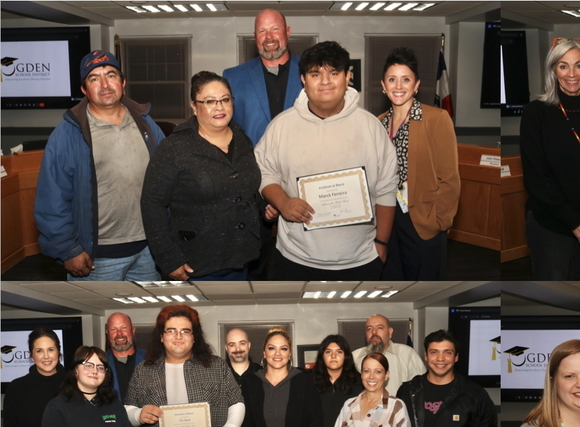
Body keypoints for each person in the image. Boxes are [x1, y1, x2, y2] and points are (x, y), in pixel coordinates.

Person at [255, 41, 398, 280]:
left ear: (347, 77)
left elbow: (386, 188)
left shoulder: (370, 126)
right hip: (295, 257)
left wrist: (381, 243)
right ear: (303, 79)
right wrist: (283, 202)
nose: (325, 81)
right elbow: (265, 172)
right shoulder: (282, 125)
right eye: (315, 74)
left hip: (361, 257)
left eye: (334, 73)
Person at [35, 50, 165, 281]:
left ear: (123, 82)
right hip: (97, 258)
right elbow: (52, 199)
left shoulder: (145, 123)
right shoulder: (68, 133)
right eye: (94, 78)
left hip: (149, 251)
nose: (105, 84)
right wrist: (68, 250)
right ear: (84, 90)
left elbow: (167, 178)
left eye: (111, 75)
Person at [140, 71, 262, 281]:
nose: (219, 107)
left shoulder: (242, 138)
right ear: (194, 107)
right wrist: (168, 257)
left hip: (242, 257)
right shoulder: (175, 147)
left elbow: (245, 188)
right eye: (209, 101)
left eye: (225, 100)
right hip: (196, 265)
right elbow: (152, 203)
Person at [519, 38, 580, 280]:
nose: (572, 73)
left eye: (579, 65)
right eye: (563, 66)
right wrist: (574, 221)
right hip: (551, 223)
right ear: (552, 70)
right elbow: (536, 177)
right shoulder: (535, 113)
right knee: (551, 294)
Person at [223, 8, 302, 279]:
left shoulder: (312, 73)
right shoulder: (232, 77)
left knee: (298, 271)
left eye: (275, 29)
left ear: (288, 32)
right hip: (252, 189)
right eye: (261, 31)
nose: (269, 37)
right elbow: (229, 135)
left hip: (302, 186)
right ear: (254, 37)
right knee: (254, 270)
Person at [377, 47, 460, 281]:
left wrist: (438, 222)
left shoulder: (436, 119)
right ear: (383, 85)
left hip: (423, 220)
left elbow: (450, 179)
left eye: (406, 79)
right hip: (386, 220)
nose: (399, 86)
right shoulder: (377, 124)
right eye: (392, 79)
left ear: (416, 85)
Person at [351, 314, 425, 395]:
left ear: (390, 332)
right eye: (369, 329)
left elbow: (422, 388)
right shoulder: (355, 357)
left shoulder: (407, 354)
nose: (374, 332)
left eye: (380, 328)